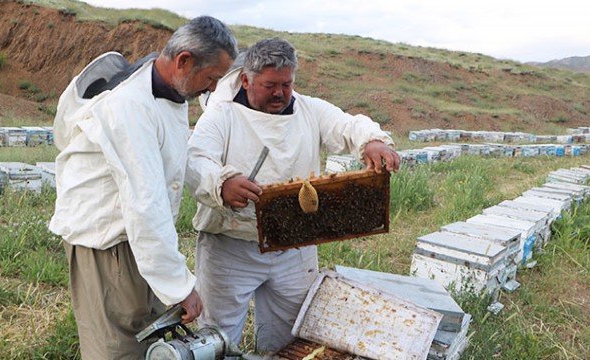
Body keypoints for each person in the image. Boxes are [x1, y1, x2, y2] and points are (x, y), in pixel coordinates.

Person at [185, 37, 400, 352]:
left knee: (289, 336)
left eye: (286, 84)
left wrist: (372, 141)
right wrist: (222, 183)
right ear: (245, 80)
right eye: (270, 85)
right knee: (218, 337)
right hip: (232, 245)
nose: (279, 93)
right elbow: (196, 159)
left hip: (295, 246)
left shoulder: (309, 109)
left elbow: (346, 125)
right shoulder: (222, 116)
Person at [49, 16, 238, 359]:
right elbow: (145, 204)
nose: (212, 89)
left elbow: (175, 155)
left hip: (132, 242)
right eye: (211, 78)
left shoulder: (168, 92)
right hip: (106, 243)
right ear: (184, 61)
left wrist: (218, 185)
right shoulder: (129, 106)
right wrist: (179, 285)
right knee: (118, 349)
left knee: (150, 341)